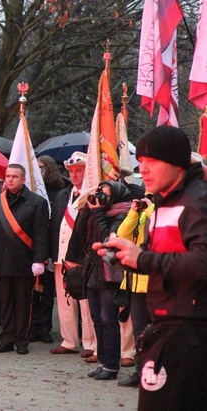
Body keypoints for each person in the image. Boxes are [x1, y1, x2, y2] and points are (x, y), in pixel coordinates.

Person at [95, 126, 207, 408]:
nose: (143, 169)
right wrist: (126, 257)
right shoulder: (162, 203)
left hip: (190, 334)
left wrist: (142, 258)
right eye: (141, 162)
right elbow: (166, 257)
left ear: (178, 165)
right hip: (164, 328)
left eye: (153, 162)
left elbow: (203, 260)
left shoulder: (198, 201)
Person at [0, 163, 49, 355]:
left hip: (25, 262)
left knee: (23, 303)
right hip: (1, 260)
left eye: (14, 177)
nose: (10, 179)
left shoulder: (37, 202)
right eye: (8, 176)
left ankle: (21, 340)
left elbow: (42, 234)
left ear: (23, 179)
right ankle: (6, 339)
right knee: (5, 303)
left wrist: (39, 259)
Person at [71, 181, 131, 381]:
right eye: (99, 193)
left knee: (108, 319)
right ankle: (102, 362)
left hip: (109, 270)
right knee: (96, 318)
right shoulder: (97, 212)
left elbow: (108, 237)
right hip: (93, 270)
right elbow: (80, 232)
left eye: (105, 194)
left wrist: (97, 213)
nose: (101, 198)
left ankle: (112, 366)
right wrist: (88, 210)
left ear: (116, 195)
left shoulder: (123, 212)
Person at [48, 152, 97, 357]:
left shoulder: (93, 197)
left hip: (82, 256)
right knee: (64, 301)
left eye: (79, 171)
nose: (75, 175)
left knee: (86, 302)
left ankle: (91, 343)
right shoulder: (63, 195)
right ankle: (69, 340)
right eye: (72, 172)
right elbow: (55, 226)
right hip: (62, 256)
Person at [28, 155, 68, 344]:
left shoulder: (60, 190)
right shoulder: (31, 191)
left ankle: (45, 327)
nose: (39, 170)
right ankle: (32, 326)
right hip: (32, 246)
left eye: (42, 167)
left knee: (48, 290)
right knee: (34, 290)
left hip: (53, 246)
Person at [115, 193, 153, 388]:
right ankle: (140, 372)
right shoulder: (141, 216)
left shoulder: (159, 214)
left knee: (158, 331)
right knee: (139, 331)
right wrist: (133, 212)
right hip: (136, 282)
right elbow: (122, 235)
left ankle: (156, 373)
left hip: (157, 282)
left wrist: (151, 210)